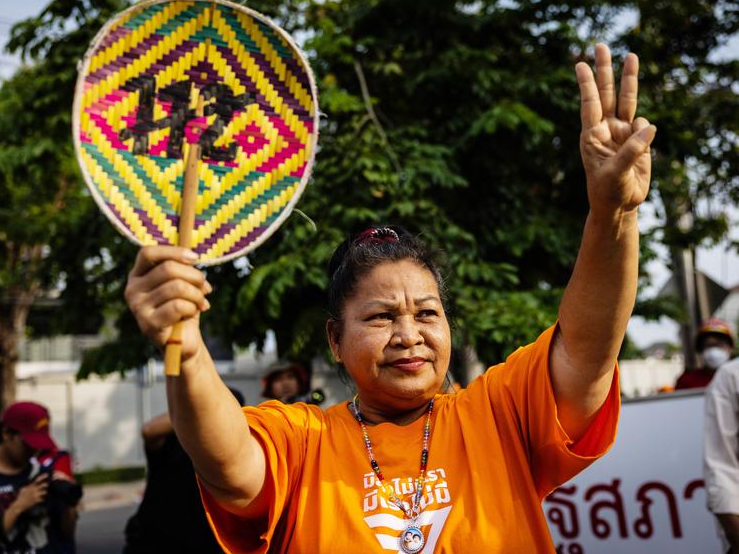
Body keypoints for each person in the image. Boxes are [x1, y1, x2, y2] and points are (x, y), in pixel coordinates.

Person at [124, 43, 655, 551]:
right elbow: (229, 463)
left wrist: (612, 213)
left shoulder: (501, 414)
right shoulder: (299, 439)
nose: (409, 335)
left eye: (427, 313)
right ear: (335, 338)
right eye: (380, 316)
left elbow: (588, 347)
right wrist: (186, 345)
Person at [123, 384, 244, 554]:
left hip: (204, 543)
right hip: (152, 539)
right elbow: (149, 430)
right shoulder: (174, 438)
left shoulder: (236, 452)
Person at [0, 402, 81, 554]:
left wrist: (70, 503)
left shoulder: (43, 475)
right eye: (29, 443)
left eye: (39, 443)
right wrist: (18, 506)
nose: (35, 449)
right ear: (6, 433)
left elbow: (66, 533)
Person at [703, 323, 739, 553]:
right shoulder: (730, 376)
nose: (712, 350)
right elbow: (721, 468)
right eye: (708, 345)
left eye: (718, 344)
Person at [675, 317, 735, 390]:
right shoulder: (686, 382)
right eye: (708, 345)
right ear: (700, 349)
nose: (714, 350)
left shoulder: (736, 377)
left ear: (730, 348)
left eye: (719, 344)